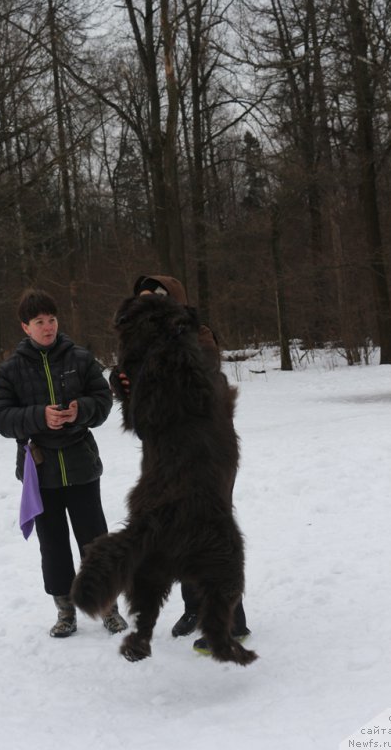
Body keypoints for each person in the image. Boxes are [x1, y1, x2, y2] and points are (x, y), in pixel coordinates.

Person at [110, 274, 250, 654]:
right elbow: (137, 396)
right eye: (142, 298)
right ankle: (195, 608)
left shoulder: (197, 335)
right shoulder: (142, 339)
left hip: (206, 453)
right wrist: (122, 383)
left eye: (155, 297)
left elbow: (196, 378)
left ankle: (230, 621)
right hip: (167, 455)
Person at [0, 288, 127, 638]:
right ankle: (65, 611)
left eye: (51, 320)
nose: (48, 327)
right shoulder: (11, 369)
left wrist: (80, 411)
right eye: (39, 322)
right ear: (25, 327)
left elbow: (102, 399)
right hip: (41, 473)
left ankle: (107, 606)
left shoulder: (80, 358)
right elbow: (1, 416)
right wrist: (39, 417)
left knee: (94, 540)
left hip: (81, 465)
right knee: (52, 545)